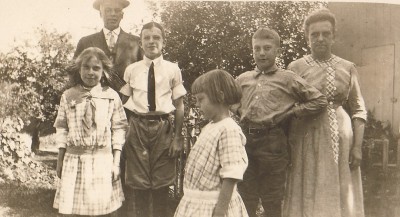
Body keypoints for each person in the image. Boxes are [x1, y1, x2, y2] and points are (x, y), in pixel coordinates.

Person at [232, 27, 328, 217]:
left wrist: (293, 112)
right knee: (246, 196)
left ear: (277, 51)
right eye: (256, 48)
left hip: (273, 142)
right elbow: (229, 100)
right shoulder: (243, 79)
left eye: (267, 48)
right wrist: (239, 110)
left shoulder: (288, 78)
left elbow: (319, 100)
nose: (261, 53)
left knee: (272, 198)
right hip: (245, 142)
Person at [283, 8, 367, 217]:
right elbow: (285, 108)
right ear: (307, 38)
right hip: (304, 135)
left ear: (334, 36)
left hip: (340, 136)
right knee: (306, 183)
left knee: (339, 187)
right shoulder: (295, 67)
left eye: (325, 34)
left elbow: (358, 109)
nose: (320, 39)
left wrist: (357, 147)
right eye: (314, 34)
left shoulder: (348, 67)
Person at [120, 21, 186, 217]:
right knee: (138, 184)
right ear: (140, 43)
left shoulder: (173, 69)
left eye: (156, 37)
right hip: (137, 127)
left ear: (163, 42)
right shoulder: (132, 70)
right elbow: (123, 105)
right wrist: (124, 134)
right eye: (146, 38)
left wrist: (176, 137)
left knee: (161, 184)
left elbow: (180, 105)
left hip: (162, 127)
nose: (151, 41)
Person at [53, 47, 128, 216]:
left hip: (102, 161)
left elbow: (119, 129)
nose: (90, 72)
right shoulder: (68, 95)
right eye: (86, 67)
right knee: (75, 210)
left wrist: (116, 163)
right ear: (78, 69)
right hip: (75, 161)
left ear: (104, 71)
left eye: (96, 68)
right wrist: (60, 159)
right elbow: (62, 128)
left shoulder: (111, 96)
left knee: (103, 209)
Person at [174, 69, 249, 217]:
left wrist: (220, 211)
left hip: (214, 206)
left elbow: (231, 174)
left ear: (220, 97)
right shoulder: (210, 126)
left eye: (201, 99)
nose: (198, 105)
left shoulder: (228, 129)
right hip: (196, 204)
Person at [73, 0, 142, 93]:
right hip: (94, 102)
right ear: (100, 14)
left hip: (126, 104)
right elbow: (74, 74)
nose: (113, 14)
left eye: (117, 10)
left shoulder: (136, 43)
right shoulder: (85, 42)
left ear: (122, 15)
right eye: (108, 10)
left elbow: (143, 77)